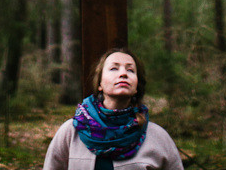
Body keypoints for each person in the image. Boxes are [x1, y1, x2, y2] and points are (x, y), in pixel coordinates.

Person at [42, 48, 185, 170]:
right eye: (114, 68)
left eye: (130, 70)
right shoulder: (71, 132)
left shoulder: (158, 137)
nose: (123, 74)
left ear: (136, 87)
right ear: (100, 84)